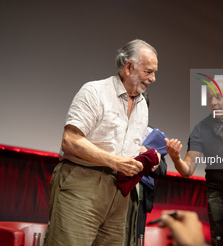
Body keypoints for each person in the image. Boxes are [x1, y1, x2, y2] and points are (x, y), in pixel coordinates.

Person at [45, 39, 160, 246]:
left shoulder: (143, 106)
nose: (153, 78)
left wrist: (146, 156)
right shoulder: (95, 91)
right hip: (82, 182)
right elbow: (70, 140)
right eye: (148, 71)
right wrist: (114, 161)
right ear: (128, 67)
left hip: (120, 193)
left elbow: (123, 144)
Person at [165, 79, 223, 246]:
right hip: (218, 194)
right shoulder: (200, 129)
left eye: (218, 97)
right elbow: (187, 170)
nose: (213, 103)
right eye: (209, 98)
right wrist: (175, 158)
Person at [125, 92, 167, 246]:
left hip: (141, 197)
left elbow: (162, 169)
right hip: (118, 192)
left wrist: (150, 159)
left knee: (136, 239)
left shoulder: (152, 135)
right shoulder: (117, 126)